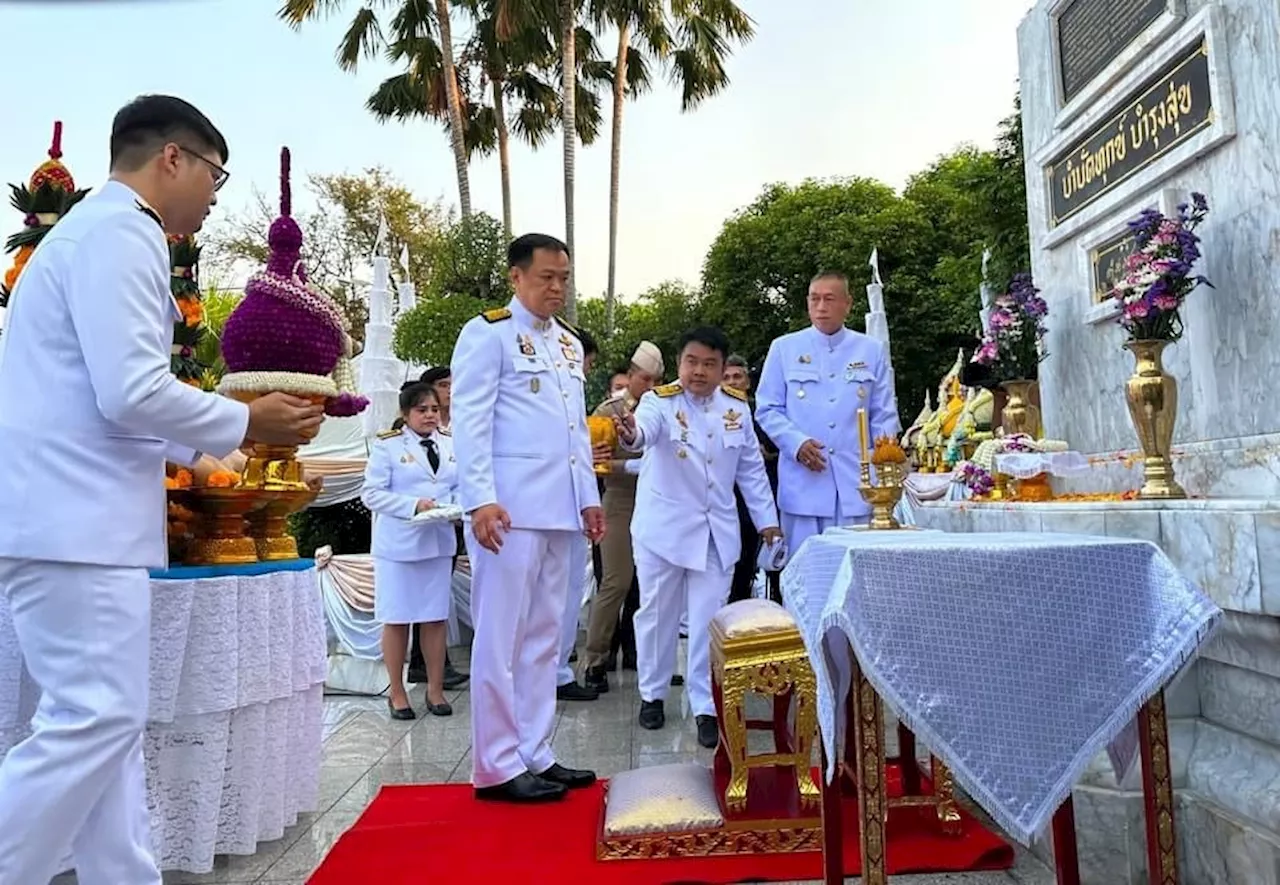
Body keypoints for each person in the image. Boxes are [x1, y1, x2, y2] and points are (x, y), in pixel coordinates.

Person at [0, 95, 324, 885]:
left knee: (105, 733)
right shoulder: (121, 230)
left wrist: (206, 444)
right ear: (170, 158)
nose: (215, 193)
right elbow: (131, 388)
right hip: (77, 524)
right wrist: (243, 420)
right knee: (94, 721)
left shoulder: (94, 232)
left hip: (72, 517)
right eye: (214, 173)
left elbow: (108, 393)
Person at [450, 232, 605, 803]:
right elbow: (470, 421)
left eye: (564, 277)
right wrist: (480, 499)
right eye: (546, 277)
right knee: (500, 636)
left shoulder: (566, 344)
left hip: (560, 510)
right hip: (508, 510)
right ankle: (495, 764)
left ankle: (535, 751)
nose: (557, 287)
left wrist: (587, 497)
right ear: (516, 277)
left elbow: (574, 432)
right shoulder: (487, 333)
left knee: (546, 636)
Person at [615, 326, 780, 749]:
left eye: (710, 364)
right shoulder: (659, 402)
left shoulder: (737, 409)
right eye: (692, 362)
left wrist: (767, 521)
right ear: (679, 363)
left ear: (723, 368)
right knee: (656, 615)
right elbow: (642, 433)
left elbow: (750, 470)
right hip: (663, 531)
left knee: (710, 619)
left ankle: (705, 704)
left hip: (715, 531)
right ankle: (652, 694)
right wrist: (630, 432)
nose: (700, 371)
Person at [755, 272, 898, 560]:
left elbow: (883, 413)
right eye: (814, 299)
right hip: (804, 484)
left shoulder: (870, 350)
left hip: (857, 486)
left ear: (848, 303)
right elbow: (767, 408)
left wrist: (883, 463)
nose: (821, 306)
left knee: (856, 575)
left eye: (829, 299)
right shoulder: (784, 348)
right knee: (805, 577)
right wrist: (796, 444)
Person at [362, 382, 459, 719]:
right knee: (397, 618)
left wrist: (457, 506)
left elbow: (459, 485)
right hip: (399, 546)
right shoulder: (388, 447)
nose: (430, 415)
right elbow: (371, 494)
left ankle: (435, 690)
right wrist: (412, 505)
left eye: (434, 409)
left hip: (437, 542)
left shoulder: (449, 444)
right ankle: (398, 692)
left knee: (435, 618)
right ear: (406, 414)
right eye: (422, 410)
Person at [581, 342, 662, 695]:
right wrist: (631, 465)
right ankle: (596, 659)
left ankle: (648, 660)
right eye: (645, 379)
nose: (651, 386)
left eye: (657, 379)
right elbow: (594, 461)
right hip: (621, 498)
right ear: (631, 376)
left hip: (659, 502)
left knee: (656, 585)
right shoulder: (609, 409)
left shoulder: (666, 406)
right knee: (616, 581)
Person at [406, 366, 468, 691]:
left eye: (451, 386)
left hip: (448, 521)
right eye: (442, 386)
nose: (448, 392)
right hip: (415, 526)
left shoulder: (457, 427)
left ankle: (431, 662)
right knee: (419, 596)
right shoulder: (410, 432)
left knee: (438, 594)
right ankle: (423, 662)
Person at [557, 326, 600, 701]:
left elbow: (580, 449)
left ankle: (559, 671)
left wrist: (590, 503)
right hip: (532, 511)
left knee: (568, 594)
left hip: (571, 509)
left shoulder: (574, 396)